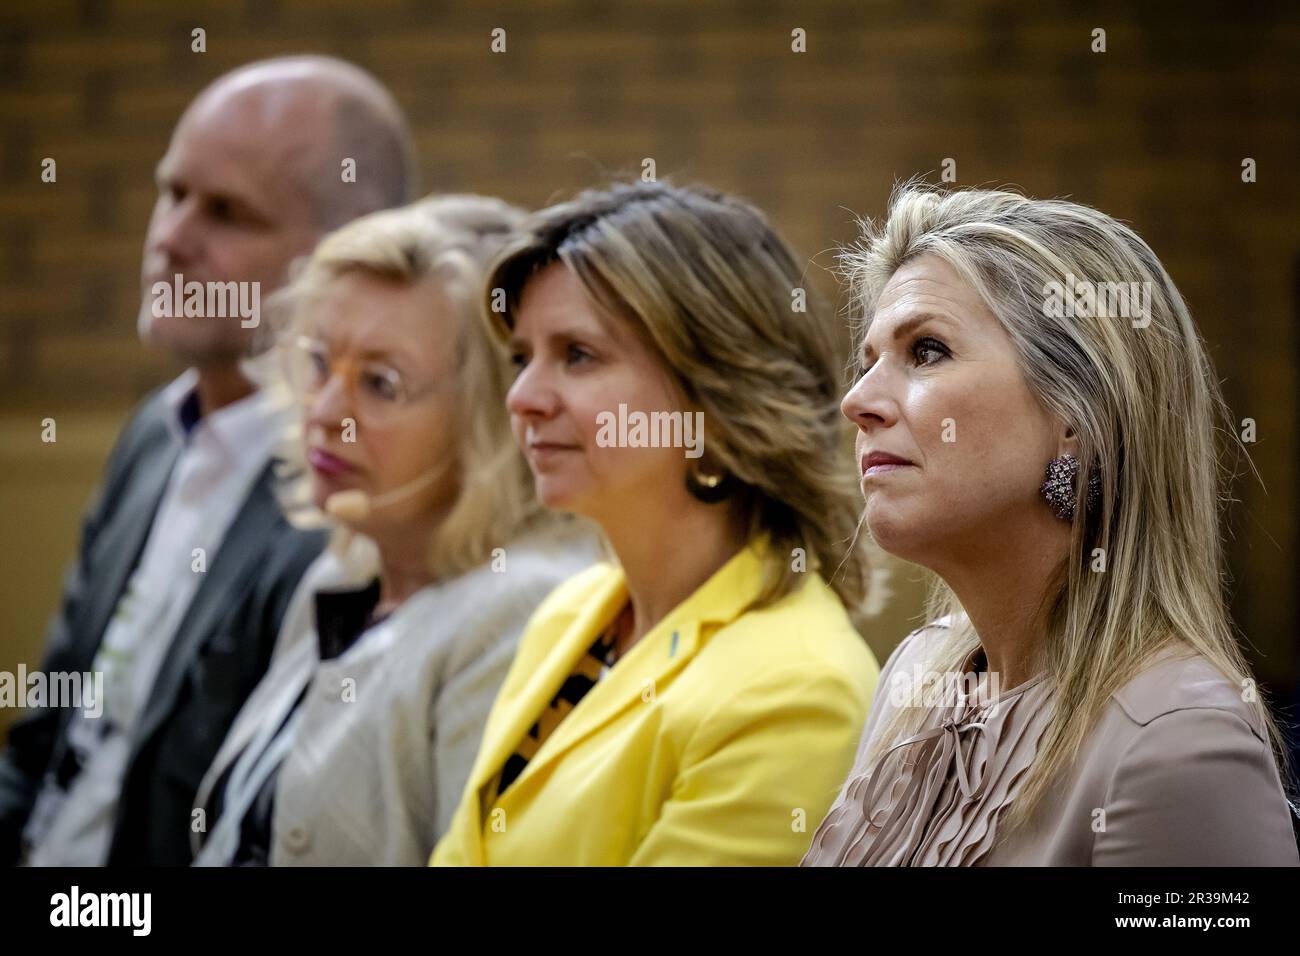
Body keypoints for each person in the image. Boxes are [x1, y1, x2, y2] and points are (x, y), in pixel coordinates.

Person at [0, 55, 418, 866]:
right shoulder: (153, 435)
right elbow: (43, 740)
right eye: (172, 192)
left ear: (341, 258)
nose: (171, 238)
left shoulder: (355, 497)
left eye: (227, 212)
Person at [803, 184, 1300, 866]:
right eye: (868, 363)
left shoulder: (1175, 740)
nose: (857, 401)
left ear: (1076, 419)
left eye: (926, 351)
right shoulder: (916, 675)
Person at [431, 181, 880, 867]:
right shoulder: (571, 611)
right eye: (523, 357)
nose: (521, 398)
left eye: (577, 354)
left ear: (712, 395)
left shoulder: (798, 688)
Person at [190, 195, 601, 866]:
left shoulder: (529, 609)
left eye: (380, 384)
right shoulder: (345, 570)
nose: (325, 411)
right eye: (320, 362)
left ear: (490, 419)